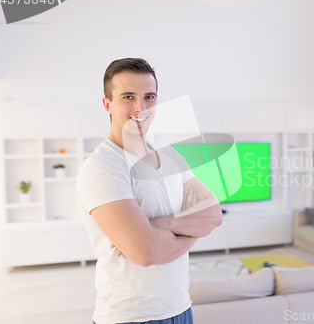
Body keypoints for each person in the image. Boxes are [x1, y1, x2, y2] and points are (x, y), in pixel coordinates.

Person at [76, 58, 222, 324]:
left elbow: (213, 214)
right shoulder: (103, 167)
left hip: (180, 307)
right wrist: (192, 226)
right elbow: (146, 253)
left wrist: (164, 224)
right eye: (128, 97)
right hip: (131, 317)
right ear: (107, 103)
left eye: (149, 96)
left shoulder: (171, 157)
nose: (140, 107)